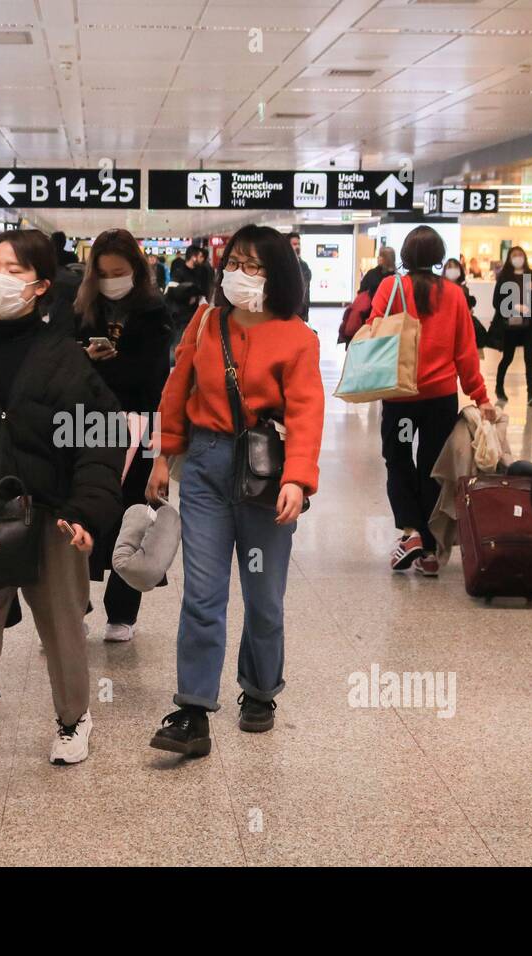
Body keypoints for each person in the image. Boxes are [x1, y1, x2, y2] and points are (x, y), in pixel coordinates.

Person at [0, 229, 124, 815]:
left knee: (61, 628)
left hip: (53, 518)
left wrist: (87, 512)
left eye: (13, 269)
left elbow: (102, 437)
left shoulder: (67, 356)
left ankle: (72, 718)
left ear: (39, 286)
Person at [144, 224, 324, 756]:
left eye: (254, 267)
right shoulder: (205, 322)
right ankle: (193, 710)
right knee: (202, 594)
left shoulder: (297, 337)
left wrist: (298, 476)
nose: (239, 275)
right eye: (235, 264)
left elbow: (307, 413)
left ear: (277, 277)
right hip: (203, 466)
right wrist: (164, 454)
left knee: (264, 596)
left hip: (266, 475)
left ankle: (261, 690)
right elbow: (177, 390)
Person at [371, 228, 498, 576]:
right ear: (439, 255)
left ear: (406, 256)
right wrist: (481, 396)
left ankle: (412, 532)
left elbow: (373, 331)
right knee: (433, 468)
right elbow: (465, 354)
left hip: (400, 397)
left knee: (398, 459)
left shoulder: (390, 287)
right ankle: (429, 551)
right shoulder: (455, 295)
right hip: (439, 400)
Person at [76, 229, 172, 642]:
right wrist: (86, 358)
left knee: (134, 515)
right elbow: (59, 361)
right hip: (83, 422)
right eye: (104, 273)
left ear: (136, 269)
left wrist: (97, 368)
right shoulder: (81, 309)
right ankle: (73, 606)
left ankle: (123, 613)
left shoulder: (153, 312)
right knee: (78, 512)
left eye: (120, 271)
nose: (112, 279)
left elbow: (152, 377)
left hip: (141, 423)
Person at [490, 244, 532, 407]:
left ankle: (531, 394)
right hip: (510, 326)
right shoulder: (504, 277)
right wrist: (513, 306)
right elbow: (496, 302)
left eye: (520, 255)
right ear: (509, 258)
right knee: (507, 358)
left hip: (529, 326)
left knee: (530, 359)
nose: (518, 258)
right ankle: (499, 388)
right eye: (514, 255)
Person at [443, 256, 488, 358]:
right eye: (449, 267)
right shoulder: (441, 288)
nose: (452, 270)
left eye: (455, 267)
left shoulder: (464, 288)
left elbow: (468, 306)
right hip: (448, 327)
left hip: (463, 325)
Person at [288, 231, 312, 319]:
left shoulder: (304, 266)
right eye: (294, 244)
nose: (297, 247)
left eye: (299, 244)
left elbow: (306, 291)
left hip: (301, 313)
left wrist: (306, 313)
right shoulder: (282, 266)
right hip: (288, 313)